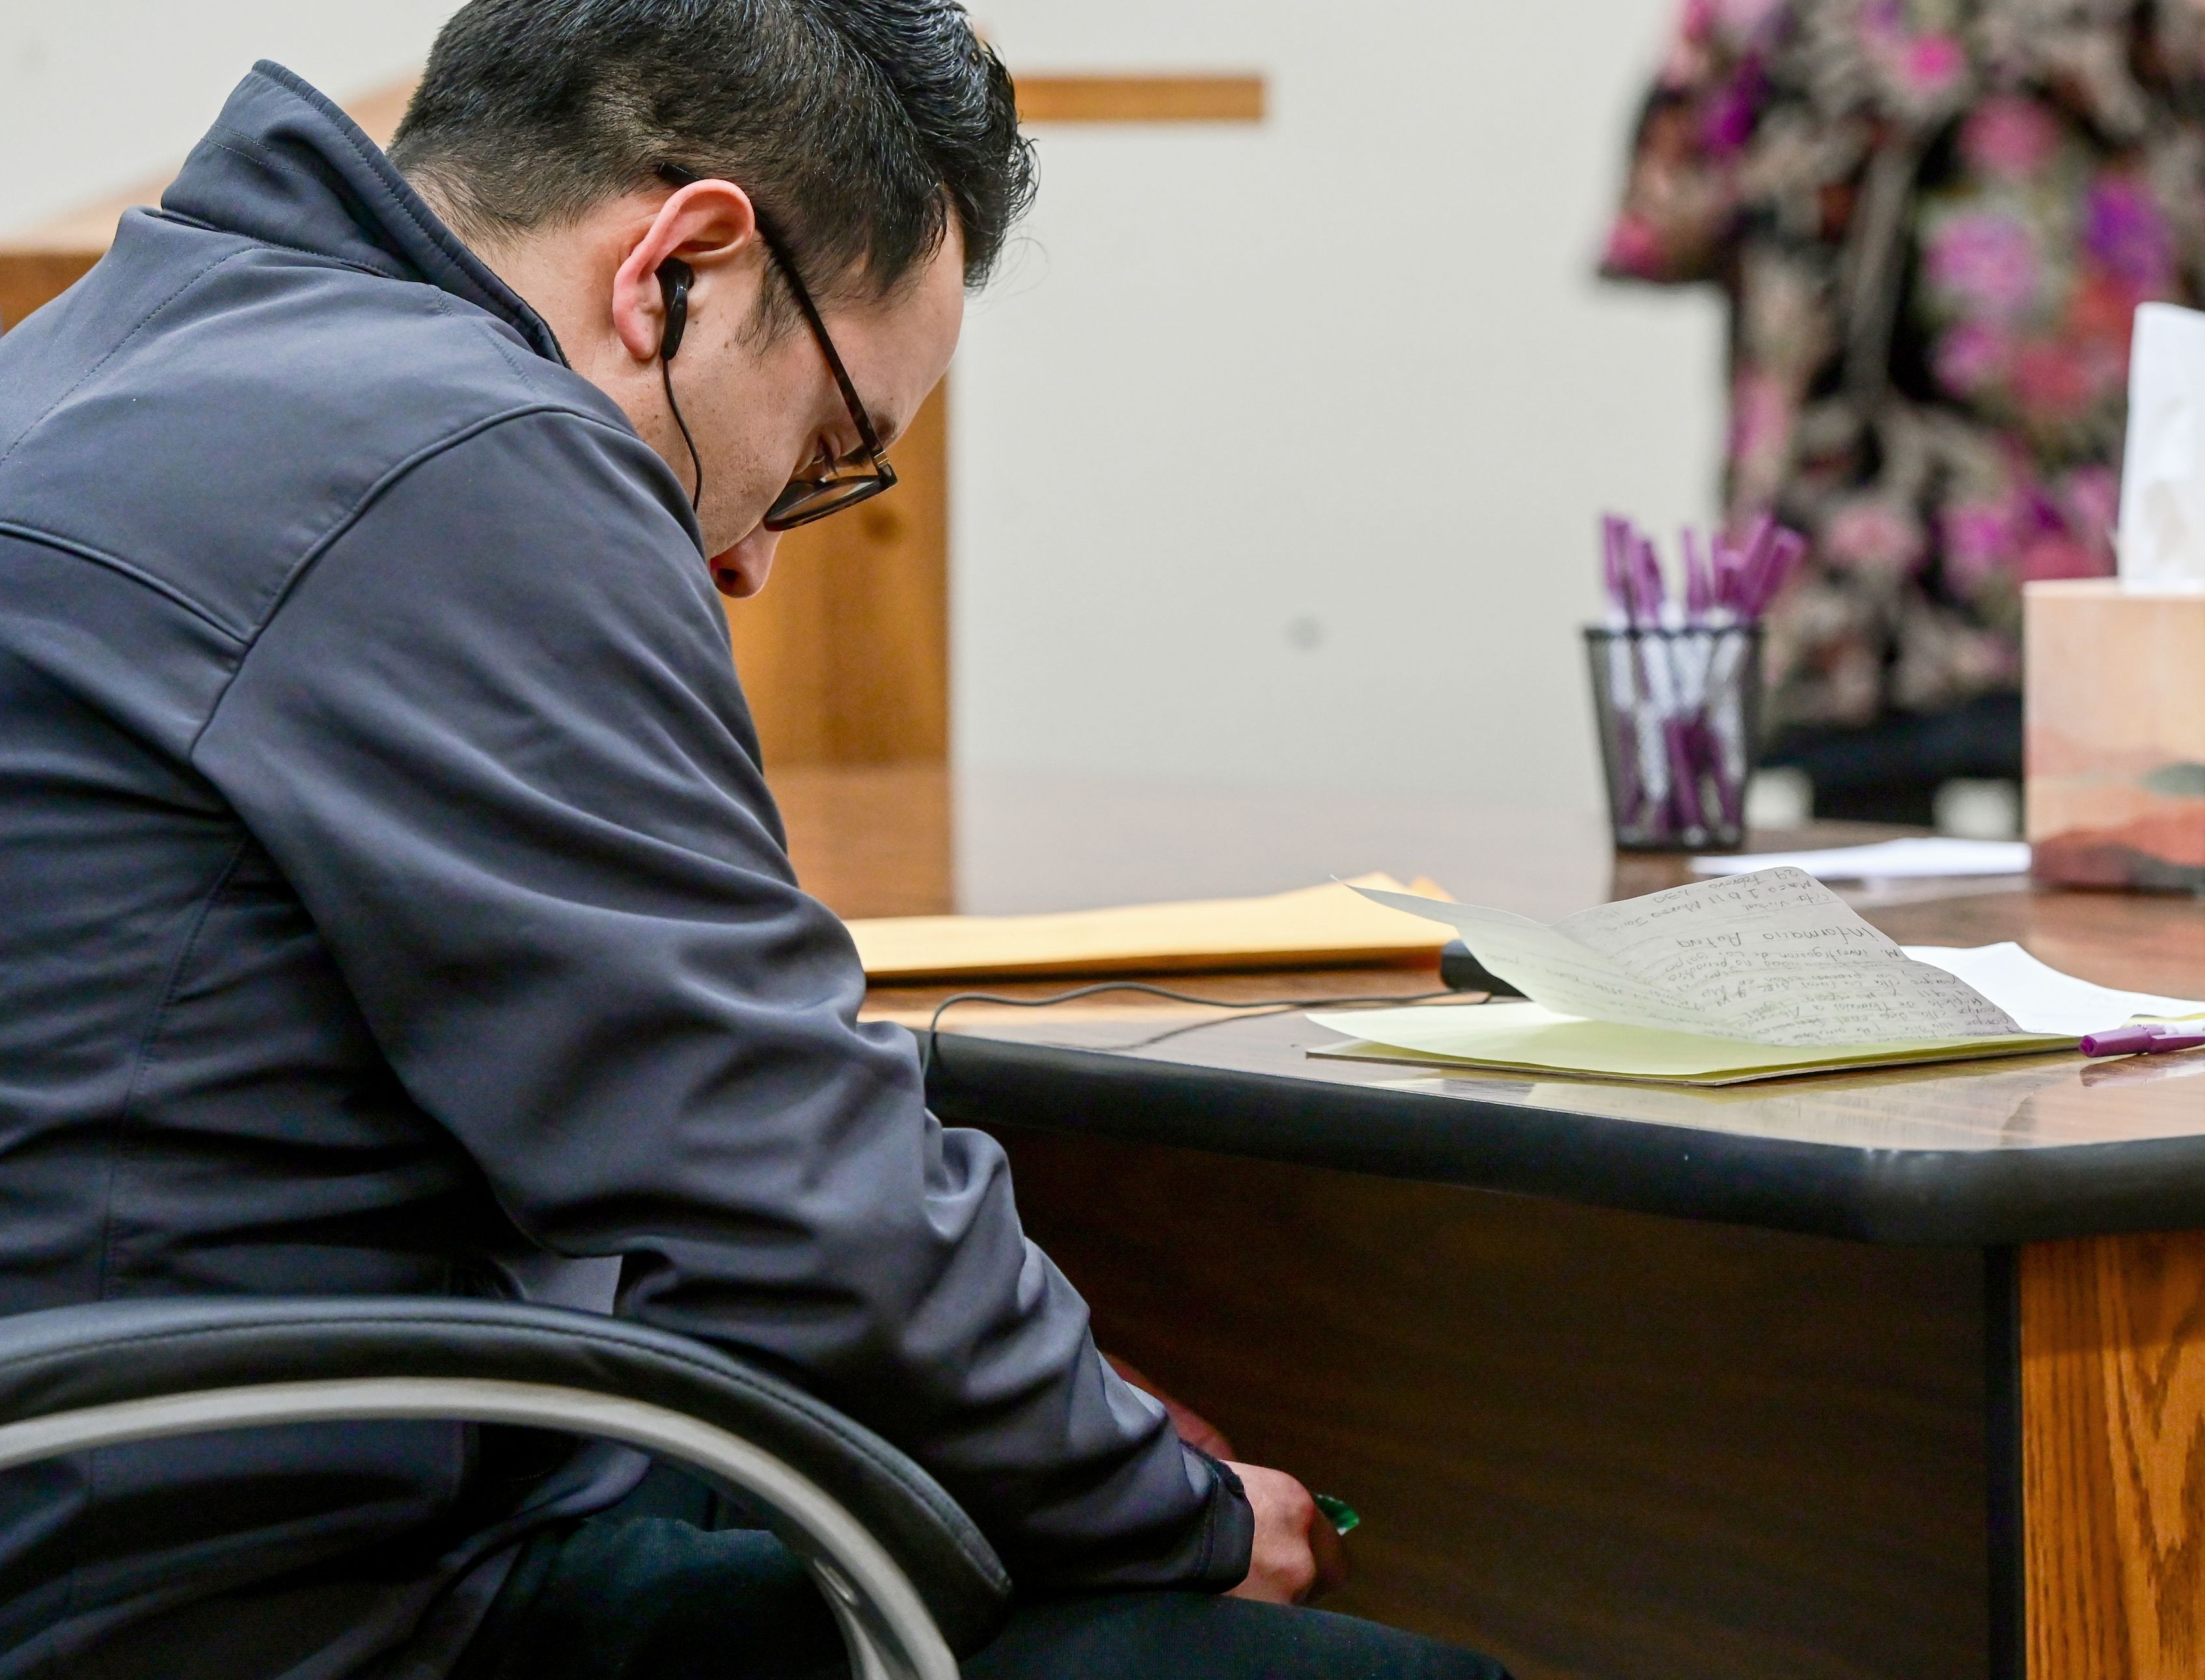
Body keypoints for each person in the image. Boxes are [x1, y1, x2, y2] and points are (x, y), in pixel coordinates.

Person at [0, 4, 1512, 1677]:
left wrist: (1055, 1415)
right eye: (821, 457)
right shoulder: (455, 454)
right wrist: (1185, 1513)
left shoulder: (91, 361)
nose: (752, 566)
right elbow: (785, 1179)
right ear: (682, 272)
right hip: (261, 1602)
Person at [1601, 0, 2205, 824]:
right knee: (1862, 903)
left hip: (2077, 555)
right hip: (1862, 562)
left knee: (2094, 892)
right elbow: (1673, 205)